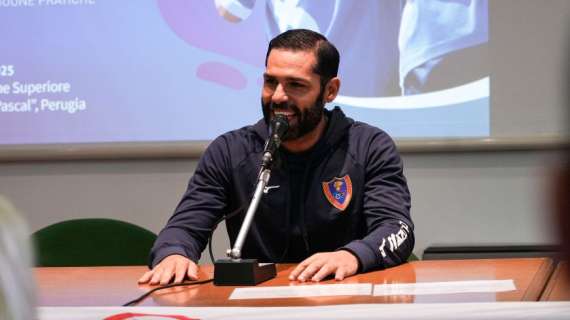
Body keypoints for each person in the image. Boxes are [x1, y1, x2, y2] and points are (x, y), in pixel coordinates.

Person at [139, 29, 413, 285]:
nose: (278, 97)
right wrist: (174, 253)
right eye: (271, 82)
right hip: (256, 302)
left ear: (329, 90)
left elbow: (396, 227)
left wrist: (352, 256)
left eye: (296, 85)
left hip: (346, 295)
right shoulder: (230, 151)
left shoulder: (368, 146)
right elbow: (185, 226)